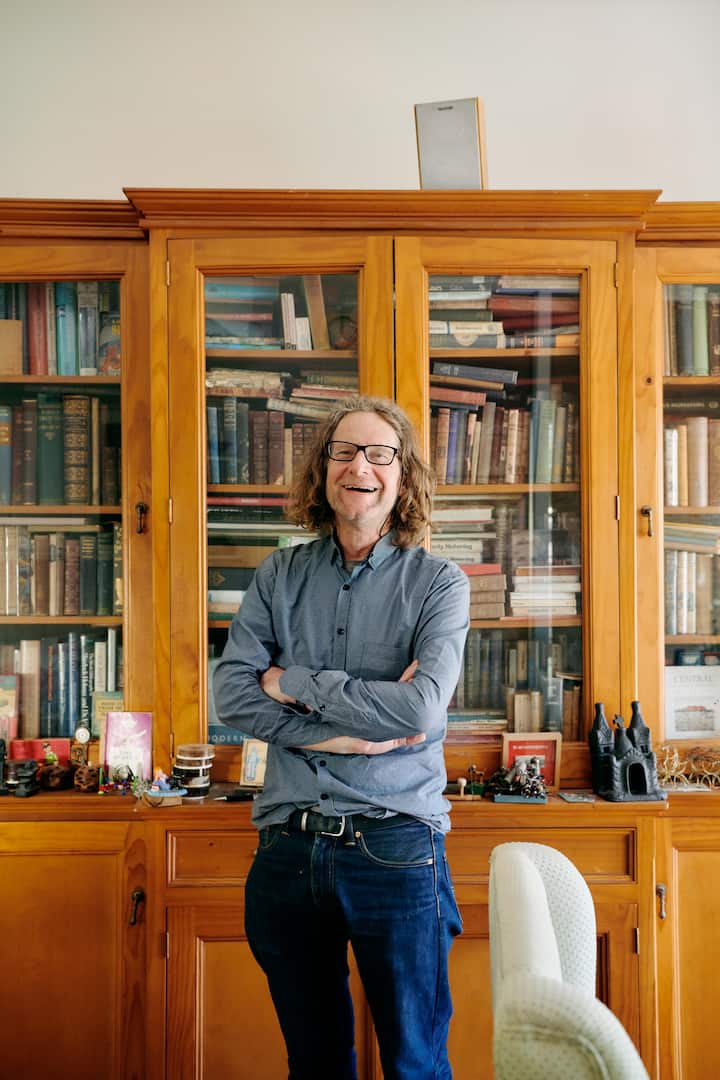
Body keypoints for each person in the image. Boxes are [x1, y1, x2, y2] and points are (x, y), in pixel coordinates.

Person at [213, 395, 470, 1080]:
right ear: (323, 470)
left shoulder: (439, 583)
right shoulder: (278, 574)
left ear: (403, 475)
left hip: (395, 847)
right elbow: (232, 694)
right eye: (344, 451)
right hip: (288, 851)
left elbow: (419, 710)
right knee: (315, 1063)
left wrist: (294, 680)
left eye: (379, 453)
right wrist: (342, 740)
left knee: (415, 1064)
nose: (360, 466)